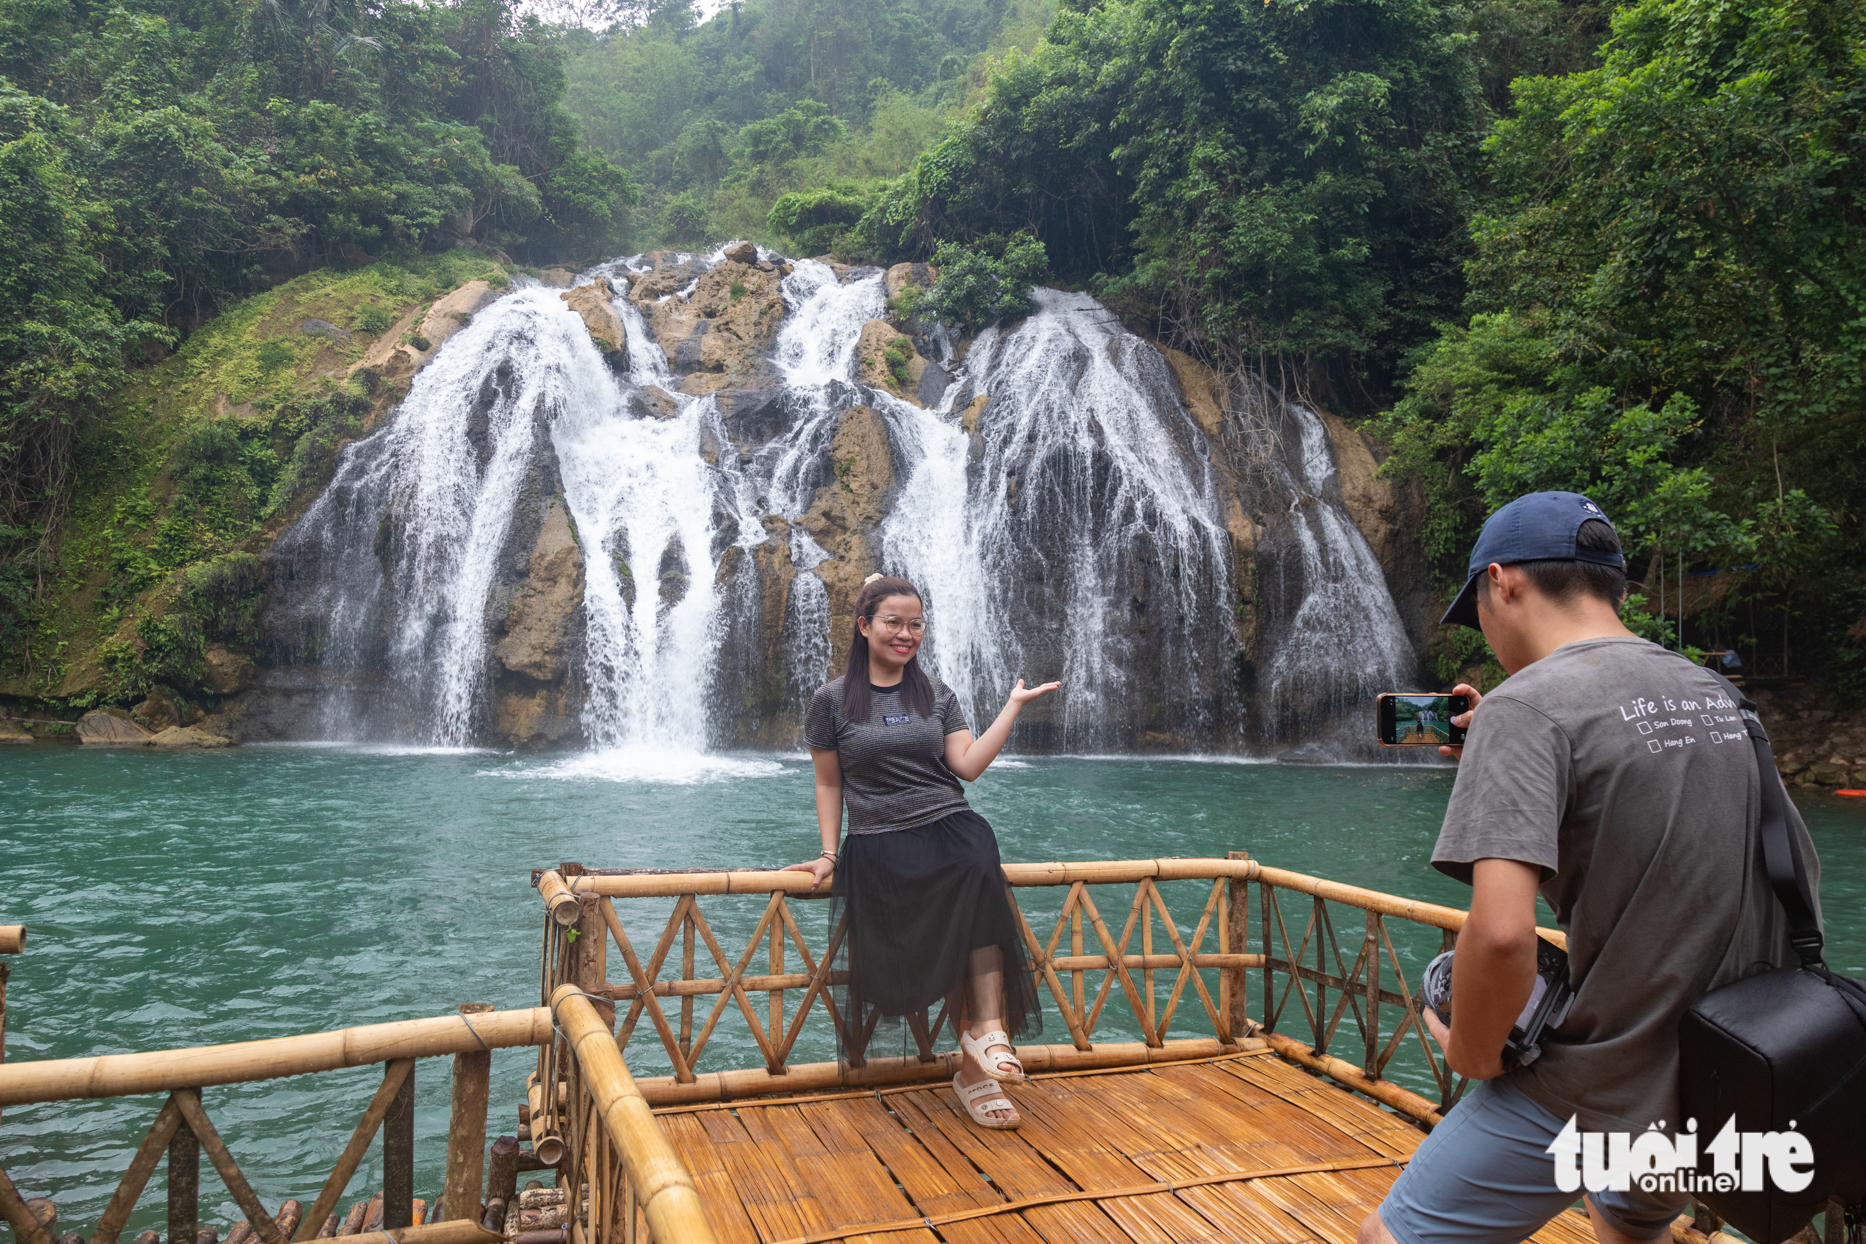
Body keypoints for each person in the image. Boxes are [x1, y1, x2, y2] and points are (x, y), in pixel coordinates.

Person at [1361, 491, 1821, 1244]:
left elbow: (1502, 937)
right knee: (1627, 1227)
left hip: (1611, 1084)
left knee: (1388, 1237)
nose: (1484, 626)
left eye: (1476, 608)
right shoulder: (1720, 696)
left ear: (1503, 582)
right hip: (1739, 1075)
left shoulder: (1524, 708)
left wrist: (1473, 1057)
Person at [783, 573, 1060, 1130]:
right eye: (893, 622)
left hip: (947, 826)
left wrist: (1011, 707)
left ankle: (988, 1036)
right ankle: (974, 1070)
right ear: (864, 626)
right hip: (880, 840)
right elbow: (829, 783)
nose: (905, 634)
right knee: (956, 925)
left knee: (976, 859)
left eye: (915, 624)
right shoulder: (830, 701)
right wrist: (829, 854)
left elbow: (967, 766)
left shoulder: (937, 694)